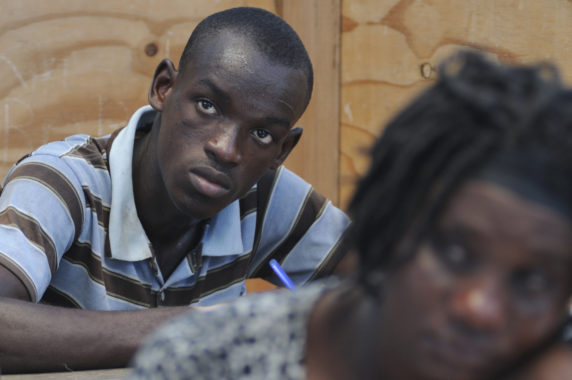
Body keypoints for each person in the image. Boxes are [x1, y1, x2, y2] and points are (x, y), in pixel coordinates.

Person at [130, 51, 572, 380]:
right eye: (454, 253)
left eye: (532, 282)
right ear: (384, 227)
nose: (480, 309)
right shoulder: (207, 363)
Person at [0, 7, 350, 373]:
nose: (226, 149)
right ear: (163, 88)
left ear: (281, 151)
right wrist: (197, 328)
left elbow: (388, 291)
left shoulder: (263, 197)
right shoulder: (63, 182)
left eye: (261, 134)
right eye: (207, 105)